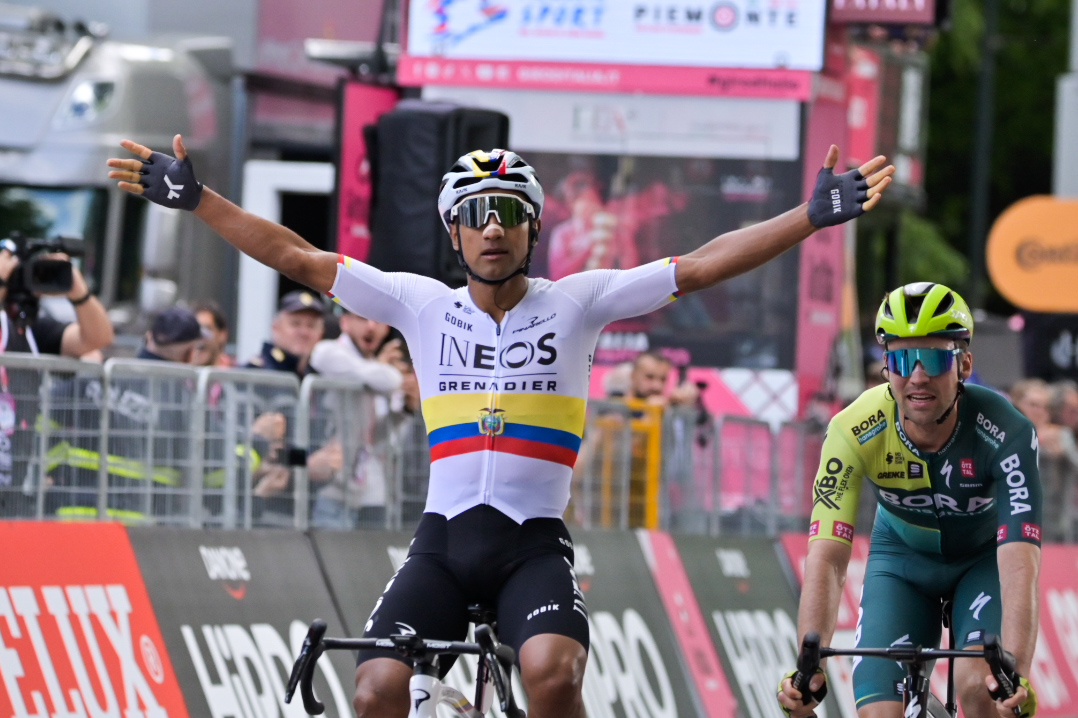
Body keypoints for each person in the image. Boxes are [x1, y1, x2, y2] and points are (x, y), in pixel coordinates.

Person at [109, 135, 892, 718]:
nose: (493, 228)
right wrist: (199, 200)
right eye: (476, 215)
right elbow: (298, 256)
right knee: (375, 690)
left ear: (533, 229)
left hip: (531, 547)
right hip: (442, 546)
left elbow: (702, 263)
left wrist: (809, 218)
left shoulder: (578, 301)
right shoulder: (419, 304)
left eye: (510, 214)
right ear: (454, 232)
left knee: (551, 673)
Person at [777, 283, 1041, 718]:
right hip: (900, 561)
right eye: (902, 360)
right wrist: (809, 668)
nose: (917, 376)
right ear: (886, 368)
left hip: (983, 561)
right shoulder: (852, 428)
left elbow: (1019, 563)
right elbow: (827, 557)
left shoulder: (1006, 431)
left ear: (964, 364)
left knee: (983, 691)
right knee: (879, 712)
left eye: (934, 359)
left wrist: (1019, 675)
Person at [306, 310, 407, 529]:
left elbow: (371, 435)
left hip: (358, 493)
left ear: (386, 328)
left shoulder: (368, 367)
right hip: (326, 491)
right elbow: (391, 380)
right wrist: (385, 370)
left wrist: (404, 410)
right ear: (344, 322)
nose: (370, 326)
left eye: (377, 320)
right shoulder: (329, 352)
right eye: (362, 318)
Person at [1010, 378, 1078, 542]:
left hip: (1059, 523)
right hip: (1019, 520)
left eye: (1045, 407)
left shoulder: (1061, 434)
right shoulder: (1007, 436)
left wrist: (1064, 452)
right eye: (1033, 405)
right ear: (1017, 405)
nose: (1039, 411)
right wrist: (1036, 441)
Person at [245, 290, 326, 376]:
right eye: (295, 324)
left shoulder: (316, 377)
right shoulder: (254, 374)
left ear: (321, 334)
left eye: (311, 326)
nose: (304, 332)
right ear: (276, 327)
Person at [190, 300, 234, 367]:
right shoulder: (179, 371)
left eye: (207, 329)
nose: (200, 337)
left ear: (222, 334)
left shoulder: (237, 371)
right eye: (195, 330)